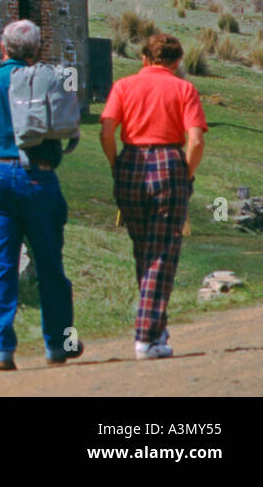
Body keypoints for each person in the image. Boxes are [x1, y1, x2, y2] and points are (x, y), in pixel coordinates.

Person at [0, 19, 81, 370]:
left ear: (3, 48)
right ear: (38, 50)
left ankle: (0, 349)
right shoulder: (45, 82)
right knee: (49, 264)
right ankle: (58, 345)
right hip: (38, 177)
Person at [100, 33, 207, 360]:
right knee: (162, 254)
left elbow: (106, 131)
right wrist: (184, 174)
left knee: (143, 251)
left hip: (131, 161)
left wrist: (116, 164)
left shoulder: (123, 85)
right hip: (168, 165)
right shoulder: (184, 88)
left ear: (144, 59)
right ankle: (146, 336)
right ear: (176, 62)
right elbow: (197, 141)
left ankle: (157, 332)